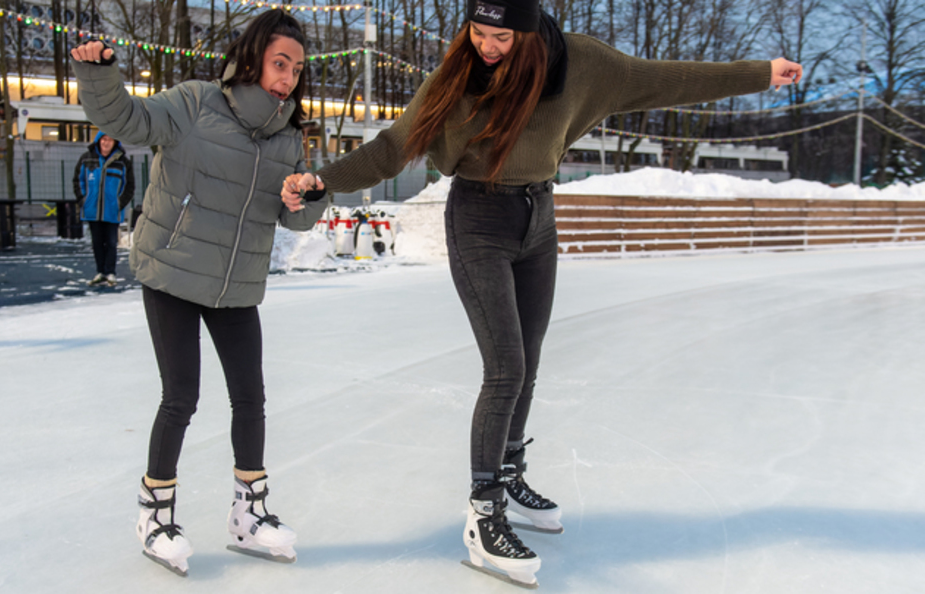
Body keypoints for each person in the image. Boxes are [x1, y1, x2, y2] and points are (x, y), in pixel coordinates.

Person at [285, 0, 803, 586]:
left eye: (499, 36)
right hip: (478, 218)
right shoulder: (456, 77)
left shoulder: (583, 64)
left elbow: (668, 79)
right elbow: (392, 146)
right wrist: (323, 181)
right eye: (476, 32)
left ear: (529, 33)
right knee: (504, 366)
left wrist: (761, 72)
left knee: (527, 363)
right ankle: (484, 513)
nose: (485, 45)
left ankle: (509, 471)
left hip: (539, 217)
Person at [70, 8, 327, 577]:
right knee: (181, 397)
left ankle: (249, 516)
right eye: (278, 62)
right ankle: (154, 514)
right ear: (253, 56)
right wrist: (100, 75)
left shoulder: (287, 136)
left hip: (236, 285)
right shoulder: (194, 103)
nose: (287, 76)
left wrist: (306, 198)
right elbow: (129, 120)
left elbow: (296, 221)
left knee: (251, 399)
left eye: (296, 68)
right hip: (173, 273)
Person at [72, 132, 135, 287]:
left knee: (112, 242)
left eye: (110, 140)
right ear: (98, 141)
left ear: (115, 143)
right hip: (92, 210)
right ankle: (100, 271)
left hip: (112, 210)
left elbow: (130, 186)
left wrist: (120, 203)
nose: (106, 143)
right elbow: (78, 180)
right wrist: (83, 200)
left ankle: (110, 272)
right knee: (97, 243)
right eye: (103, 139)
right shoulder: (86, 159)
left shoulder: (123, 162)